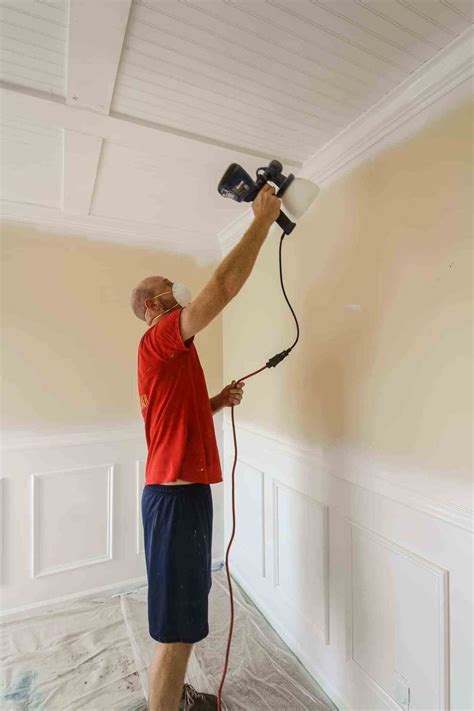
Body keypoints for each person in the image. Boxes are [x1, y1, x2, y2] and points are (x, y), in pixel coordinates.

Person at [129, 184, 281, 711]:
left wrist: (215, 401)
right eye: (168, 288)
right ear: (154, 306)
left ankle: (175, 696)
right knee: (175, 630)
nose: (179, 289)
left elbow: (174, 418)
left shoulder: (172, 358)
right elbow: (221, 287)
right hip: (174, 501)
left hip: (179, 498)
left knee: (186, 617)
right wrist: (260, 221)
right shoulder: (159, 337)